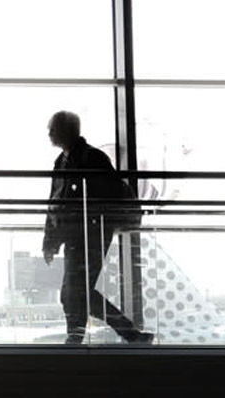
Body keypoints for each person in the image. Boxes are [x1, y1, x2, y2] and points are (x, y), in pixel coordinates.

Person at [42, 111, 152, 345]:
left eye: (53, 128)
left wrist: (51, 239)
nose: (49, 133)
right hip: (78, 236)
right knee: (76, 292)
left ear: (67, 130)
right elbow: (55, 203)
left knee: (74, 292)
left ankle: (78, 337)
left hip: (91, 236)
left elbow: (59, 203)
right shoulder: (65, 161)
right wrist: (50, 241)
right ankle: (128, 335)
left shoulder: (90, 159)